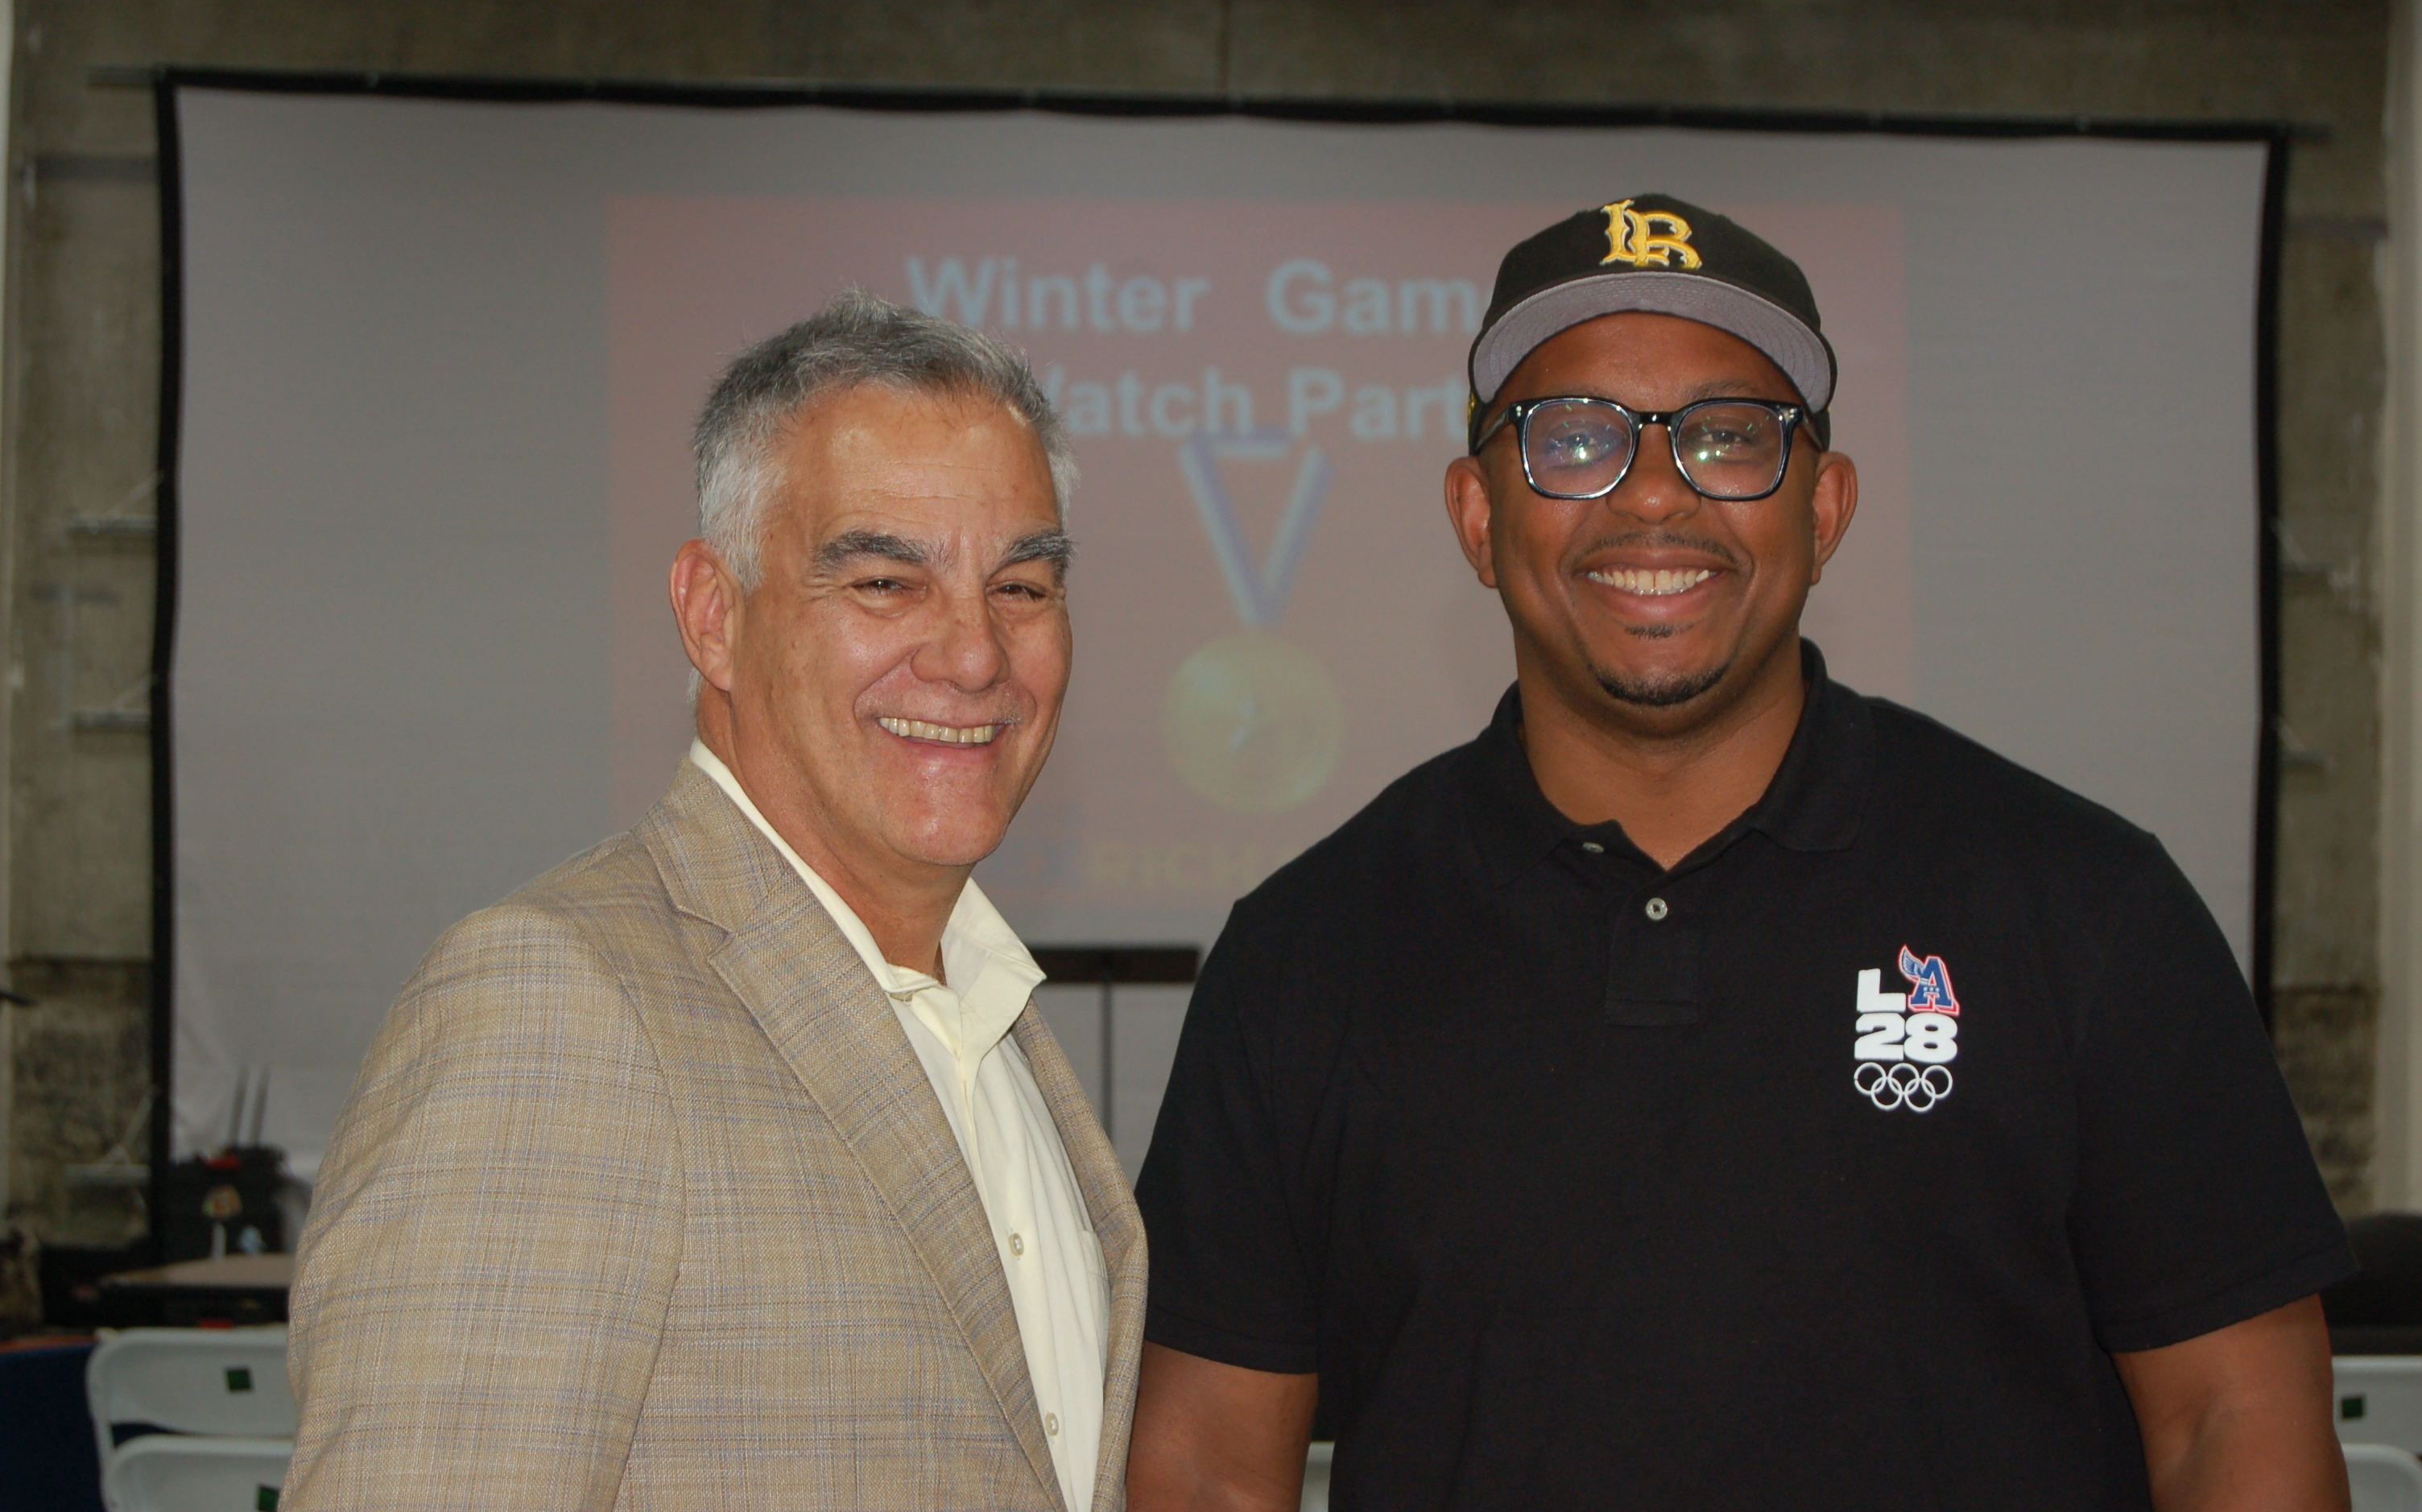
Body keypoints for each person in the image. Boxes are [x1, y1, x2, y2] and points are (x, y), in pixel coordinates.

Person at [1127, 197, 2353, 1511]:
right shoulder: (1307, 954)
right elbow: (1203, 1465)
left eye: (1727, 437)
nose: (1653, 494)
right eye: (1576, 439)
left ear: (1824, 510)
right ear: (1479, 519)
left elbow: (2237, 1424)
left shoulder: (2089, 910)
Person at [285, 291, 1142, 1512]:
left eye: (1021, 587)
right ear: (713, 615)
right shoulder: (558, 1012)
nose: (973, 656)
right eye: (886, 582)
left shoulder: (991, 1028)